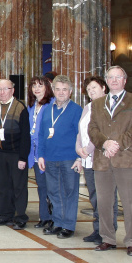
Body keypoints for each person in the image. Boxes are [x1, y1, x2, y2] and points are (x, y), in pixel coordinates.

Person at [88, 66, 132, 256]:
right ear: (107, 81)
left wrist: (117, 144)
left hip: (127, 159)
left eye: (118, 77)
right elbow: (92, 129)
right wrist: (104, 143)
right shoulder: (97, 104)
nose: (114, 80)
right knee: (104, 202)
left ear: (124, 80)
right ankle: (107, 238)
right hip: (103, 159)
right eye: (110, 77)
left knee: (130, 203)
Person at [37, 75, 83, 238]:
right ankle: (57, 222)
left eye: (65, 89)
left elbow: (81, 135)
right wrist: (40, 155)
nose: (61, 92)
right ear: (53, 91)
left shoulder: (76, 110)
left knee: (69, 192)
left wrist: (79, 158)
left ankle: (68, 225)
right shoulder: (47, 109)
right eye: (58, 89)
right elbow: (41, 134)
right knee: (54, 192)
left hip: (69, 158)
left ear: (70, 92)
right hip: (50, 157)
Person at [74, 75, 118, 244]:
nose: (91, 91)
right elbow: (81, 132)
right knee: (94, 197)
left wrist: (88, 148)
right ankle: (98, 230)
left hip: (101, 158)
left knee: (106, 197)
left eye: (95, 87)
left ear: (104, 88)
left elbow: (103, 132)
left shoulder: (109, 106)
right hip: (87, 159)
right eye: (89, 89)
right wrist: (79, 150)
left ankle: (109, 232)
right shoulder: (88, 107)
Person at [0, 79, 31, 230]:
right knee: (3, 186)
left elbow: (26, 136)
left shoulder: (20, 108)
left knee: (18, 187)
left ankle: (20, 217)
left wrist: (23, 157)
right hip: (0, 153)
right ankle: (5, 214)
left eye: (5, 89)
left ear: (12, 90)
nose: (2, 92)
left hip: (16, 154)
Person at [28, 76, 55, 228]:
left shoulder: (51, 105)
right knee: (42, 186)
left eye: (40, 85)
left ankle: (53, 218)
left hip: (46, 152)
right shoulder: (32, 105)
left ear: (47, 88)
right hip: (35, 153)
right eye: (34, 86)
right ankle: (44, 217)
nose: (36, 89)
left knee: (51, 188)